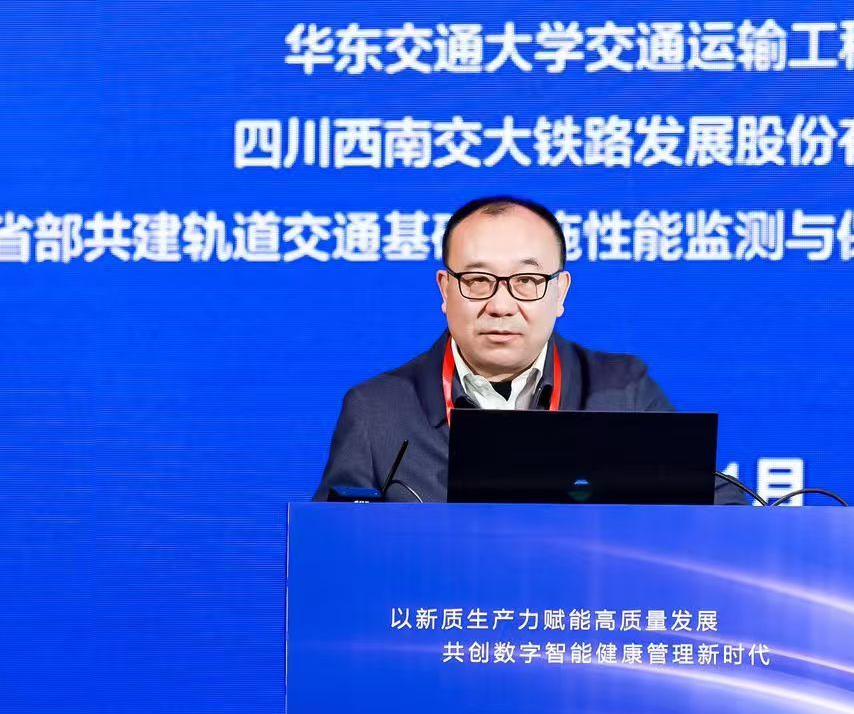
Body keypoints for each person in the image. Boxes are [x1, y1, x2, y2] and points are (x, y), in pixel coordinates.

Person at [313, 195, 743, 503]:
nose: (501, 305)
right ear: (445, 290)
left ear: (560, 292)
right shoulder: (377, 410)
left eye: (527, 281)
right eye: (477, 280)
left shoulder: (623, 391)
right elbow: (333, 557)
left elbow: (720, 514)